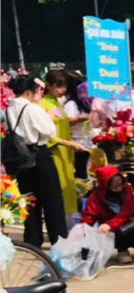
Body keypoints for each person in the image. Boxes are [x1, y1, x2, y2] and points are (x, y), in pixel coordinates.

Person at [5, 74, 68, 245]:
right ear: (28, 92)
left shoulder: (9, 109)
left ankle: (32, 240)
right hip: (39, 154)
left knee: (29, 200)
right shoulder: (32, 108)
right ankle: (59, 240)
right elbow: (49, 131)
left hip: (21, 158)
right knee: (52, 199)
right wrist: (49, 117)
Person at [39, 68, 86, 220]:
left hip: (66, 153)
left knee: (69, 186)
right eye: (58, 86)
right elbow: (47, 135)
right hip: (54, 153)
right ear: (48, 85)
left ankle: (70, 220)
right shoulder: (42, 105)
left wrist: (71, 144)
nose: (62, 90)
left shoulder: (59, 104)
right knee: (58, 188)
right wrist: (69, 144)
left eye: (64, 86)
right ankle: (60, 222)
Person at [80, 165, 134, 260]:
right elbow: (88, 217)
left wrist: (110, 225)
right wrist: (82, 233)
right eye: (115, 187)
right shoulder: (96, 198)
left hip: (130, 223)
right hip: (110, 230)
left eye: (121, 184)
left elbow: (128, 210)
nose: (119, 188)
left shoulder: (127, 189)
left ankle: (123, 249)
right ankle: (122, 250)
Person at [63, 71, 92, 178]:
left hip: (89, 144)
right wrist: (81, 118)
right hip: (78, 145)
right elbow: (67, 121)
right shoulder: (71, 104)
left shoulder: (86, 103)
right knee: (82, 175)